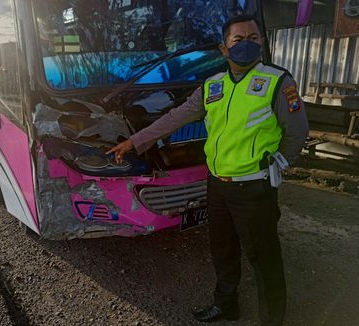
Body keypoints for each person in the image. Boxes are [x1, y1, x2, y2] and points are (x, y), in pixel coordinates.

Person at [107, 15, 309, 325]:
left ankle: (272, 320)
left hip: (254, 188)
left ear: (262, 43)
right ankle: (226, 305)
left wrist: (278, 165)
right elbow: (175, 117)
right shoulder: (213, 85)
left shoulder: (278, 81)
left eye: (253, 39)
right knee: (223, 250)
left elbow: (296, 132)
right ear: (224, 48)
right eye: (238, 40)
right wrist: (134, 142)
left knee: (264, 257)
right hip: (217, 186)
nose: (247, 45)